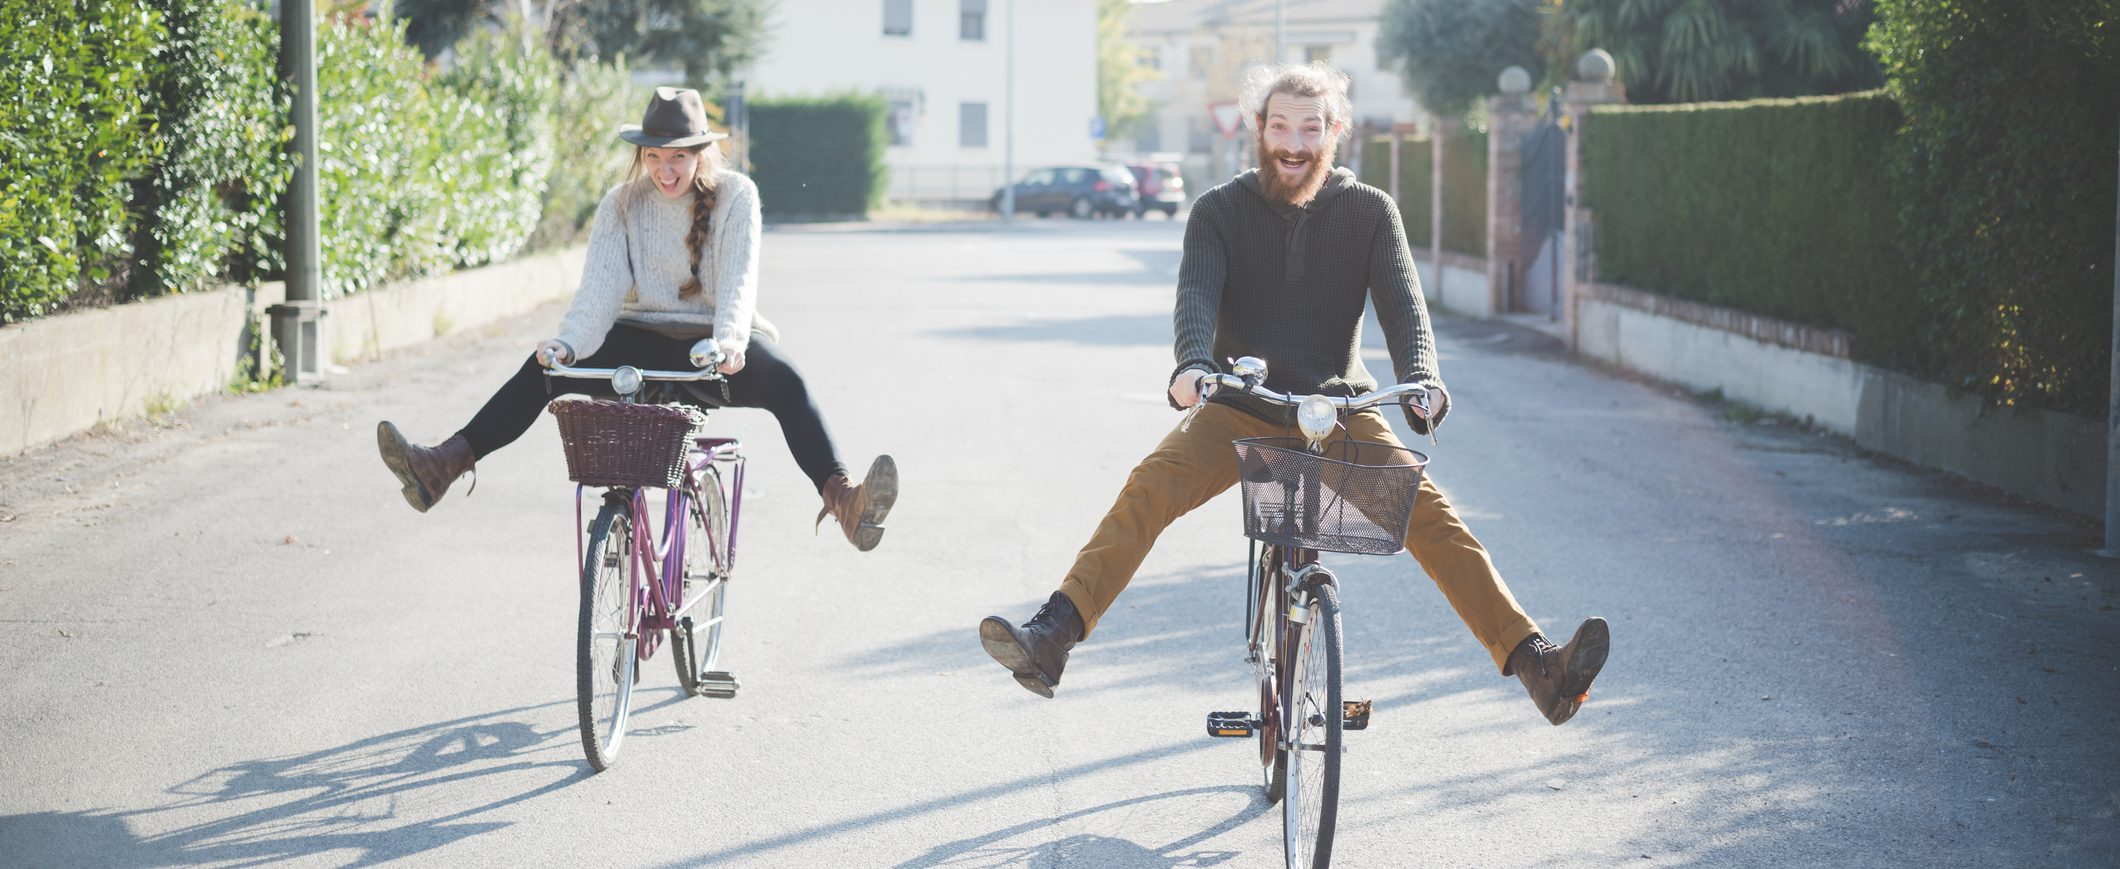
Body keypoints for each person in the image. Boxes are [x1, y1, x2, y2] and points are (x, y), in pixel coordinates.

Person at [977, 63, 1608, 725]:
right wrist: (1192, 365)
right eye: (1280, 124)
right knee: (1151, 485)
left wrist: (1424, 378)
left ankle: (1538, 665)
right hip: (1238, 404)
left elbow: (1405, 308)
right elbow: (1196, 294)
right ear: (1260, 129)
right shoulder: (1218, 212)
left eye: (1311, 127)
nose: (1294, 141)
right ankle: (1053, 636)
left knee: (1430, 512)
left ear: (1336, 132)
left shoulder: (1370, 212)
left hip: (1338, 408)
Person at [375, 87, 898, 551]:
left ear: (700, 153)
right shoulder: (621, 204)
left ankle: (845, 502)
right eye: (653, 157)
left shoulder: (737, 196)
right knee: (544, 370)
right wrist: (569, 345)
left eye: (677, 157)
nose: (665, 171)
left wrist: (733, 341)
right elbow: (599, 290)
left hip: (712, 346)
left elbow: (739, 280)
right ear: (641, 155)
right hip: (640, 337)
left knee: (788, 381)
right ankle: (440, 466)